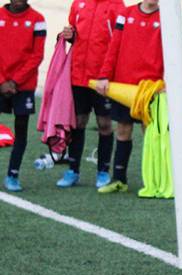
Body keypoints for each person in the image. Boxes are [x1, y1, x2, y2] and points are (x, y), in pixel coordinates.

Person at [93, 0, 163, 195]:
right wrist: (104, 75)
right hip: (124, 85)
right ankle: (119, 180)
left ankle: (155, 182)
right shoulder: (126, 13)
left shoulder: (166, 17)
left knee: (151, 135)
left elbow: (171, 53)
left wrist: (166, 82)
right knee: (123, 130)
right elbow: (114, 46)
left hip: (150, 88)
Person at [56, 0, 125, 189]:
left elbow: (119, 41)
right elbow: (74, 34)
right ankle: (73, 170)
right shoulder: (79, 3)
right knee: (78, 122)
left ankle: (103, 171)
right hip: (78, 76)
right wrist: (69, 36)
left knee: (104, 124)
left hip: (103, 78)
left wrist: (109, 75)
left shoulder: (117, 6)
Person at [0, 0, 46, 192]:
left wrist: (15, 81)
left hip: (24, 85)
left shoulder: (38, 19)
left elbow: (37, 55)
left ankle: (13, 175)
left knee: (21, 129)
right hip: (0, 81)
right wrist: (2, 80)